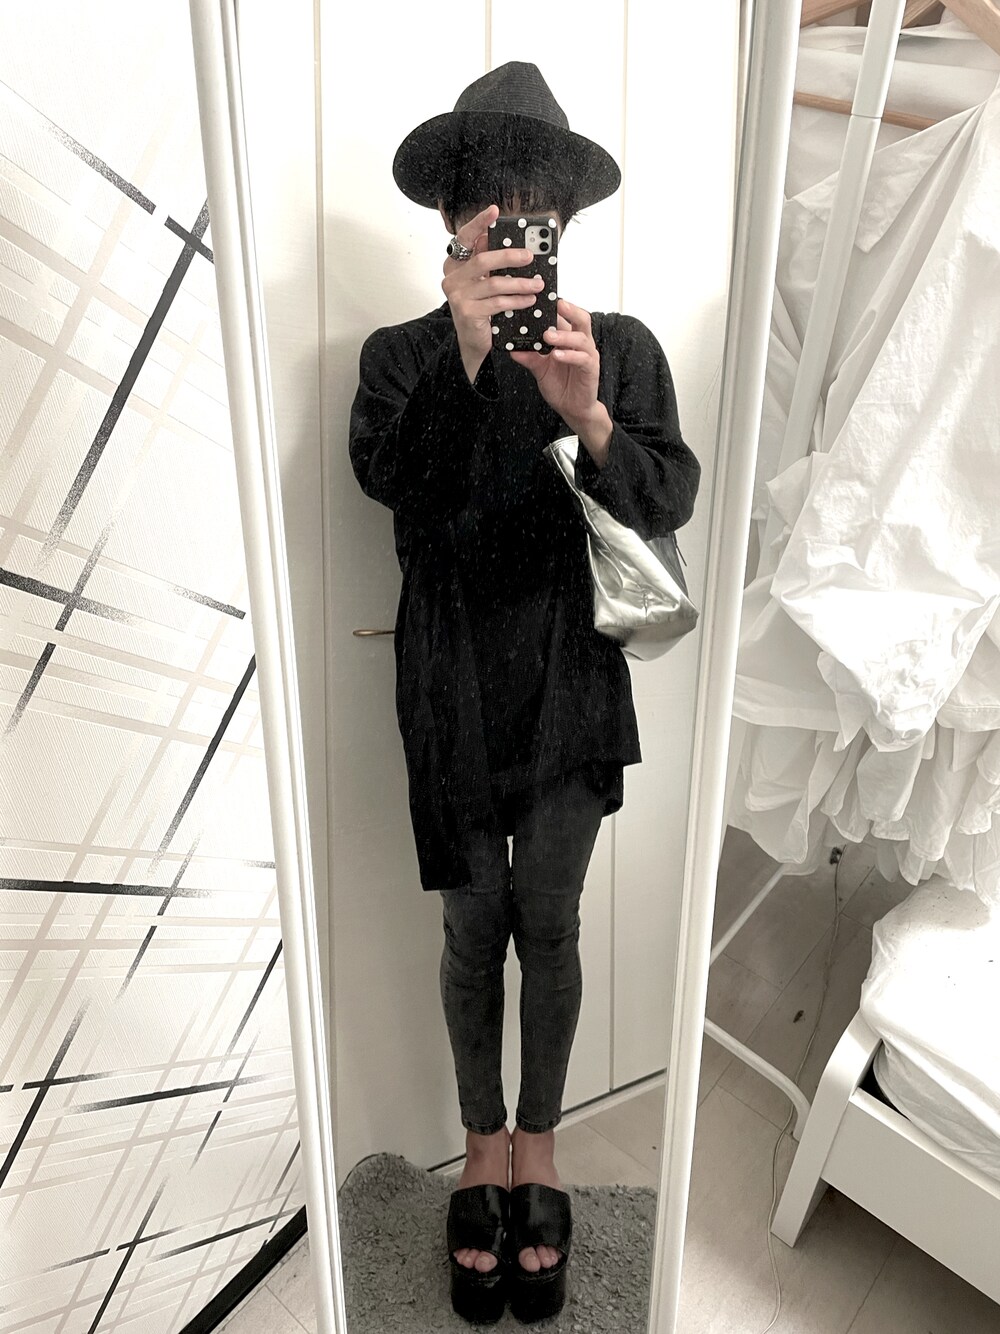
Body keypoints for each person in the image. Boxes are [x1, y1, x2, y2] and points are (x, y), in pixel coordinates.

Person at [348, 61, 700, 1325]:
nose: (507, 220)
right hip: (449, 680)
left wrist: (589, 416)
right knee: (468, 929)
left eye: (531, 203)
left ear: (560, 224)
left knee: (548, 923)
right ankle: (478, 1147)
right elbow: (394, 488)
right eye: (486, 203)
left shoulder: (617, 348)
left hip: (568, 682)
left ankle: (537, 1149)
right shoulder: (399, 356)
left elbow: (666, 500)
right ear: (451, 224)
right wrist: (457, 352)